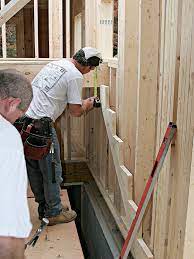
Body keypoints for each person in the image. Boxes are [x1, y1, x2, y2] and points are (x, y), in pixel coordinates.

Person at [24, 47, 103, 226]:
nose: (90, 72)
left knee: (35, 169)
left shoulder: (57, 64)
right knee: (52, 171)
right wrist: (90, 103)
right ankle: (53, 213)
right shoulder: (75, 75)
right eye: (91, 69)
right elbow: (75, 111)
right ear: (87, 66)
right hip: (41, 127)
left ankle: (45, 207)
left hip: (23, 122)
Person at [0, 69, 32, 259]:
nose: (16, 122)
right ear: (12, 103)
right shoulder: (6, 137)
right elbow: (8, 235)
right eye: (19, 116)